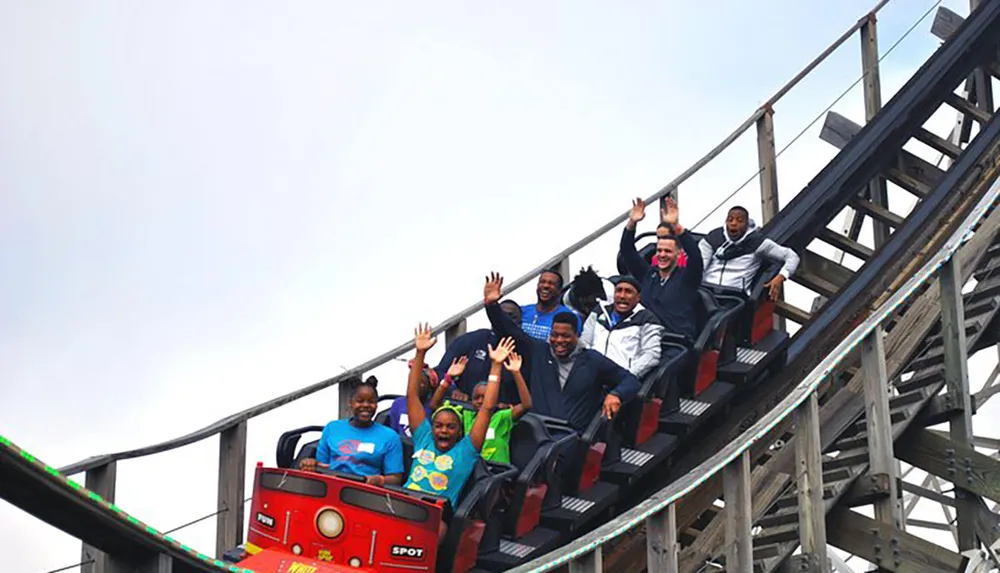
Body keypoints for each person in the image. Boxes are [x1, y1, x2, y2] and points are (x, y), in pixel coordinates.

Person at [484, 273, 640, 432]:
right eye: (555, 335)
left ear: (577, 335)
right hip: (534, 432)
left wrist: (616, 395)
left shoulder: (592, 360)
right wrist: (491, 305)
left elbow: (631, 381)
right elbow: (509, 330)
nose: (559, 341)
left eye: (565, 336)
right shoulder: (539, 350)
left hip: (571, 437)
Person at [403, 323, 511, 541]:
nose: (443, 430)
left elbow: (487, 408)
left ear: (459, 431)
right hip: (404, 503)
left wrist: (496, 366)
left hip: (436, 515)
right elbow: (412, 396)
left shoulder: (466, 450)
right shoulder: (424, 438)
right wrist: (420, 353)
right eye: (439, 425)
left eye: (450, 427)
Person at [619, 197, 703, 344]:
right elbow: (627, 251)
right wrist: (632, 222)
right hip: (644, 339)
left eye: (668, 251)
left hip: (675, 342)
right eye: (659, 250)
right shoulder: (648, 274)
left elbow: (695, 256)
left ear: (678, 254)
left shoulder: (687, 278)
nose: (662, 255)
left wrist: (676, 226)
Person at [429, 351, 533, 464]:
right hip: (471, 469)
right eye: (476, 398)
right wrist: (448, 378)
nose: (481, 401)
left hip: (497, 473)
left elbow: (526, 405)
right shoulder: (467, 415)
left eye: (485, 397)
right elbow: (435, 405)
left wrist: (516, 373)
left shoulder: (503, 417)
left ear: (497, 401)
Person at [299, 377, 405, 487]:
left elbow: (396, 479)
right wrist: (311, 463)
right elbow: (322, 466)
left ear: (377, 404)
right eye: (360, 401)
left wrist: (380, 480)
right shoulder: (332, 428)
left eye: (371, 401)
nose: (366, 405)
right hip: (331, 487)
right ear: (350, 403)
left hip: (366, 492)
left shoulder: (390, 436)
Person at [698, 205, 799, 299]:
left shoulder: (757, 243)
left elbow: (792, 257)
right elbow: (698, 265)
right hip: (706, 291)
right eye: (730, 220)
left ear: (746, 224)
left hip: (735, 296)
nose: (733, 223)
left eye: (739, 221)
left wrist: (781, 277)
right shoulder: (712, 239)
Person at [432, 300, 522, 403]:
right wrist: (453, 390)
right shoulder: (471, 340)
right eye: (501, 315)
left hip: (502, 414)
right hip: (466, 406)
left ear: (520, 322)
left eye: (512, 316)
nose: (505, 320)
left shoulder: (526, 350)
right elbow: (440, 372)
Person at [580, 275, 664, 380]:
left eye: (628, 292)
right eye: (618, 291)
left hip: (621, 379)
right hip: (591, 375)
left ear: (638, 297)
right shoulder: (599, 311)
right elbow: (584, 342)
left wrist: (627, 376)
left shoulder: (647, 319)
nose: (622, 296)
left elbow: (651, 355)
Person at [521, 269, 578, 341]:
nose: (545, 286)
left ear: (559, 290)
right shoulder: (521, 311)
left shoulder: (569, 316)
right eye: (542, 282)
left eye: (551, 283)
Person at [386, 361, 440, 437]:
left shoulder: (433, 406)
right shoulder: (398, 404)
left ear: (429, 386)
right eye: (413, 382)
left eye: (422, 383)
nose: (416, 386)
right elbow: (394, 432)